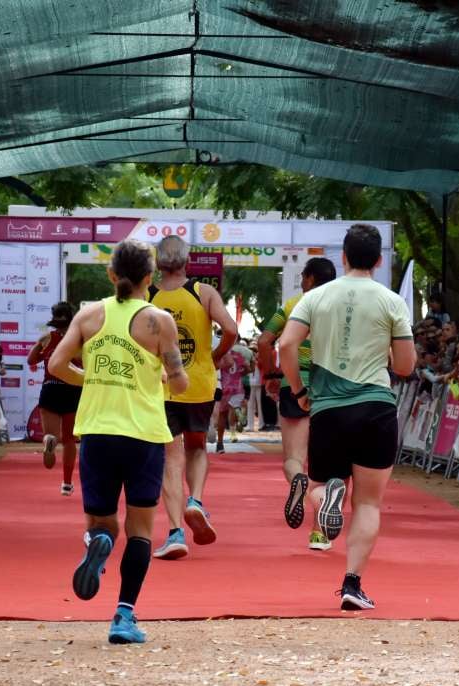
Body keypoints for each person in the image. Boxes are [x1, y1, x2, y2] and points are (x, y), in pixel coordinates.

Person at [48, 239, 188, 645]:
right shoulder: (159, 321)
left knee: (101, 521)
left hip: (97, 431)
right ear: (150, 278)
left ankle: (100, 543)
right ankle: (124, 616)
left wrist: (92, 377)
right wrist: (162, 378)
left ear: (110, 275)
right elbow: (179, 380)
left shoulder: (89, 315)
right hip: (144, 434)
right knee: (141, 529)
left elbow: (58, 365)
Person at [277, 224, 415, 609]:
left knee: (321, 483)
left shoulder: (315, 297)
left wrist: (300, 391)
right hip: (376, 407)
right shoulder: (391, 302)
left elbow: (286, 344)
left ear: (343, 256)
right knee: (368, 503)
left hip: (329, 409)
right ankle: (353, 585)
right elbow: (405, 365)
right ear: (378, 260)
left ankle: (323, 501)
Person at [147, 235, 238, 560]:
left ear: (158, 264)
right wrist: (212, 357)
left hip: (161, 386)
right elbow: (231, 330)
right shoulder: (203, 292)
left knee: (170, 457)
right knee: (197, 447)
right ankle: (195, 500)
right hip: (198, 384)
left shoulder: (149, 296)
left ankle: (175, 532)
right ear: (187, 262)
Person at [257, 257, 337, 545]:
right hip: (332, 388)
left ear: (312, 278)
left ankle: (297, 483)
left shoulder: (294, 306)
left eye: (304, 275)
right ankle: (319, 533)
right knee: (324, 463)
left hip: (296, 383)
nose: (302, 280)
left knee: (294, 459)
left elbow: (265, 341)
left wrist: (272, 373)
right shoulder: (340, 308)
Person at [27, 302, 82, 496]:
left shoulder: (47, 337)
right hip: (73, 389)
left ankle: (50, 440)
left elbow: (31, 360)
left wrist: (43, 351)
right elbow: (85, 364)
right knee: (69, 440)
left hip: (50, 389)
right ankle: (67, 484)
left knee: (53, 434)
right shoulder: (79, 340)